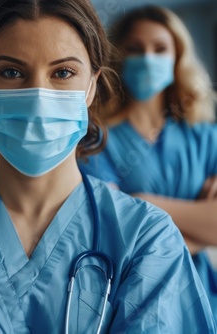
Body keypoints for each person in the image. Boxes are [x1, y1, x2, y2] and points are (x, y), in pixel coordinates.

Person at [0, 1, 215, 333]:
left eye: (63, 72)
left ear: (91, 86)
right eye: (12, 72)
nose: (37, 94)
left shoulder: (147, 237)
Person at [79, 5, 217, 320]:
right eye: (136, 49)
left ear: (178, 57)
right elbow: (117, 243)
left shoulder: (204, 136)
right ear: (118, 57)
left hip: (205, 299)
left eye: (160, 49)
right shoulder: (96, 140)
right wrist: (200, 225)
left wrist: (142, 202)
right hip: (138, 306)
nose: (148, 58)